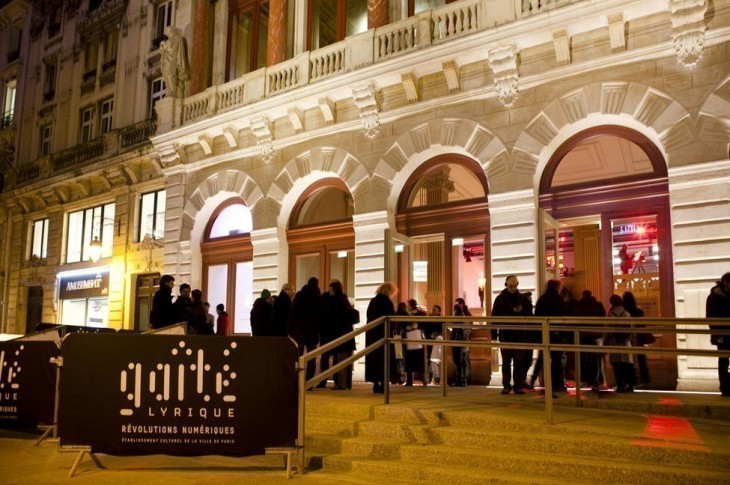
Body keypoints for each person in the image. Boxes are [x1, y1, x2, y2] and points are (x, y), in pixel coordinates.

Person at [491, 275, 532, 394]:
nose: (513, 288)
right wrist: (494, 334)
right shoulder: (500, 299)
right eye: (511, 286)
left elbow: (530, 315)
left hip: (519, 334)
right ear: (506, 285)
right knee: (506, 362)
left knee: (518, 362)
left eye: (515, 286)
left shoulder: (523, 299)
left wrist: (522, 311)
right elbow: (494, 317)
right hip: (507, 334)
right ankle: (507, 385)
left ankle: (518, 385)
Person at [532, 279, 569, 392]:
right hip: (556, 333)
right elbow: (563, 316)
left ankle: (533, 379)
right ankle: (555, 384)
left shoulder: (542, 299)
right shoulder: (558, 299)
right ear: (557, 287)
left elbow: (537, 315)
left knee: (543, 357)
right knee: (557, 360)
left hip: (544, 333)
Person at [320, 280, 356, 390]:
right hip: (347, 335)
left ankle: (340, 384)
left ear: (334, 290)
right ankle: (345, 383)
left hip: (339, 336)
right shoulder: (345, 300)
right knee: (345, 361)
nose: (329, 291)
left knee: (339, 361)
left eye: (330, 289)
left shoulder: (334, 301)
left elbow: (331, 318)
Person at [288, 278, 323, 385]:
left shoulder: (300, 295)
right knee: (311, 357)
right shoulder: (318, 296)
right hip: (313, 332)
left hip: (300, 331)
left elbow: (294, 313)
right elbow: (321, 315)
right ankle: (309, 381)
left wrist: (290, 329)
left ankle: (296, 379)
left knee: (298, 355)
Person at [365, 282, 397, 394]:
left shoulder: (373, 301)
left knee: (374, 359)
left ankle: (375, 383)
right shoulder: (387, 302)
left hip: (372, 335)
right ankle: (383, 384)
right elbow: (391, 318)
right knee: (384, 359)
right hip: (384, 334)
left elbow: (369, 316)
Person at [574, 290, 606, 390]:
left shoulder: (578, 305)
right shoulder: (598, 304)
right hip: (595, 334)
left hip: (582, 334)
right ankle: (595, 380)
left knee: (582, 358)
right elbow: (603, 316)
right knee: (596, 359)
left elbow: (575, 318)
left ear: (583, 295)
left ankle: (584, 379)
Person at [605, 294, 634, 393]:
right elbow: (631, 328)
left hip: (614, 342)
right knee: (628, 364)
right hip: (626, 342)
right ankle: (630, 385)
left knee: (617, 365)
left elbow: (607, 330)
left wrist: (605, 343)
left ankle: (620, 385)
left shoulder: (610, 314)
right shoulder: (626, 313)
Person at [707, 272, 730, 397]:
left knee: (723, 360)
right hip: (722, 334)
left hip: (724, 333)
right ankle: (725, 388)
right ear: (726, 283)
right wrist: (717, 333)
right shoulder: (714, 297)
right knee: (723, 361)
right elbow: (710, 317)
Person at [623, 291, 652, 386]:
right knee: (641, 358)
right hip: (639, 338)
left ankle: (632, 380)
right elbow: (642, 324)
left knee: (629, 360)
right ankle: (644, 379)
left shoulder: (624, 311)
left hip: (628, 338)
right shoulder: (638, 310)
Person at [403, 299, 427, 386]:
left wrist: (417, 326)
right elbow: (402, 325)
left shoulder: (420, 314)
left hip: (417, 338)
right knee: (408, 359)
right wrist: (407, 327)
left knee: (419, 359)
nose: (407, 306)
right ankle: (409, 380)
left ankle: (423, 379)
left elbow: (425, 324)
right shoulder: (406, 314)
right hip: (409, 338)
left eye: (408, 304)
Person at [452, 298, 472, 387]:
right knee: (464, 362)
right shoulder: (466, 317)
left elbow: (456, 332)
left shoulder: (457, 319)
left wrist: (453, 341)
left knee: (458, 362)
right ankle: (464, 380)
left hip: (458, 343)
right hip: (465, 343)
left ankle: (459, 380)